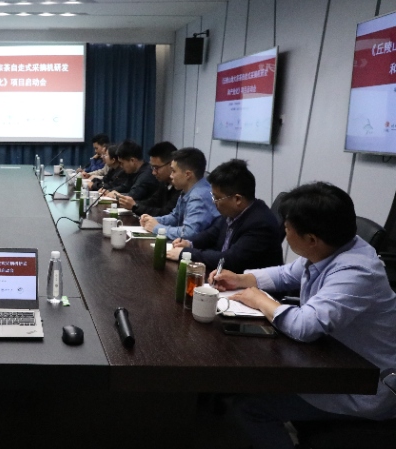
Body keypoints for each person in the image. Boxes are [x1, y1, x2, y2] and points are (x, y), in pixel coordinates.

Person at [211, 182, 396, 449]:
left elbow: (305, 326)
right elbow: (286, 274)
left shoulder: (357, 272)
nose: (284, 232)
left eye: (287, 228)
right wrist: (241, 279)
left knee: (250, 407)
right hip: (331, 361)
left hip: (363, 386)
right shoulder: (334, 247)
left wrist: (259, 299)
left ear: (311, 239)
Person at [166, 159, 283, 272]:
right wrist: (189, 243)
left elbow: (230, 260)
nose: (214, 202)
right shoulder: (233, 212)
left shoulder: (260, 224)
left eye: (217, 198)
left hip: (247, 282)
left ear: (237, 199)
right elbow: (211, 234)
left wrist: (186, 253)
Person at [139, 147, 219, 240]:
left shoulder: (199, 197)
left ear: (188, 174)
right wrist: (153, 220)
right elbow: (176, 217)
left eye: (173, 171)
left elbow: (188, 233)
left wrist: (156, 228)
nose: (171, 176)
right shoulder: (187, 190)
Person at [118, 141, 180, 216]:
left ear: (171, 165)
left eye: (156, 168)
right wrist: (132, 204)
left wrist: (135, 206)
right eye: (152, 167)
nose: (153, 172)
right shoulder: (164, 183)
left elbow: (166, 213)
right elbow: (152, 202)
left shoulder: (181, 186)